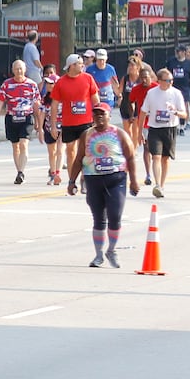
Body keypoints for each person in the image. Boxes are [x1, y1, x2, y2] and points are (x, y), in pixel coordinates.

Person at [67, 105, 140, 268]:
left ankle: (111, 250)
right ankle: (99, 255)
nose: (99, 117)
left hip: (116, 179)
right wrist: (72, 181)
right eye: (96, 114)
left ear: (109, 116)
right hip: (93, 180)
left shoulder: (120, 134)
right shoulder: (87, 135)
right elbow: (79, 159)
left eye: (102, 114)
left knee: (115, 216)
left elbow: (131, 157)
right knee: (99, 219)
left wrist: (134, 181)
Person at [49, 53, 102, 174]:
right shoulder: (61, 82)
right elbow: (54, 105)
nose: (82, 66)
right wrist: (53, 125)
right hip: (68, 123)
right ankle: (72, 179)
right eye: (80, 64)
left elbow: (96, 100)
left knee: (86, 151)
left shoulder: (88, 78)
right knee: (70, 150)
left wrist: (98, 118)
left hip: (86, 121)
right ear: (72, 66)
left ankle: (85, 178)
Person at [141, 67, 188, 198]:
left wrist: (176, 112)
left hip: (170, 128)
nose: (170, 83)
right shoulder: (151, 93)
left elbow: (184, 114)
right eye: (167, 80)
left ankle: (161, 185)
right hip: (154, 128)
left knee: (165, 159)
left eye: (171, 80)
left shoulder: (176, 93)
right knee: (156, 156)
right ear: (160, 81)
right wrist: (140, 131)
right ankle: (156, 184)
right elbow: (143, 112)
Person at [0, 59, 41, 185]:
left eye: (21, 69)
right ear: (13, 70)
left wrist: (39, 122)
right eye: (16, 69)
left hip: (26, 117)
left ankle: (21, 171)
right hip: (12, 117)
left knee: (23, 144)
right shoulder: (6, 85)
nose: (19, 71)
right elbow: (0, 102)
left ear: (25, 70)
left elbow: (37, 104)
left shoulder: (32, 85)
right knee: (15, 146)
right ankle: (19, 171)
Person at [39, 64, 63, 184]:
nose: (49, 85)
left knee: (59, 150)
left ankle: (57, 173)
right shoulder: (45, 98)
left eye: (51, 83)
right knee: (51, 152)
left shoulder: (64, 97)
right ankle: (52, 173)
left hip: (62, 128)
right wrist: (40, 129)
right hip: (49, 127)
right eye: (47, 83)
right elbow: (42, 113)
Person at [169, 44, 190, 127]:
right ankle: (182, 123)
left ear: (183, 52)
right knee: (178, 106)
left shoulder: (189, 63)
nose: (178, 53)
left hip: (186, 87)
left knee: (189, 105)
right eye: (177, 51)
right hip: (174, 87)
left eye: (179, 51)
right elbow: (167, 73)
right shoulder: (171, 61)